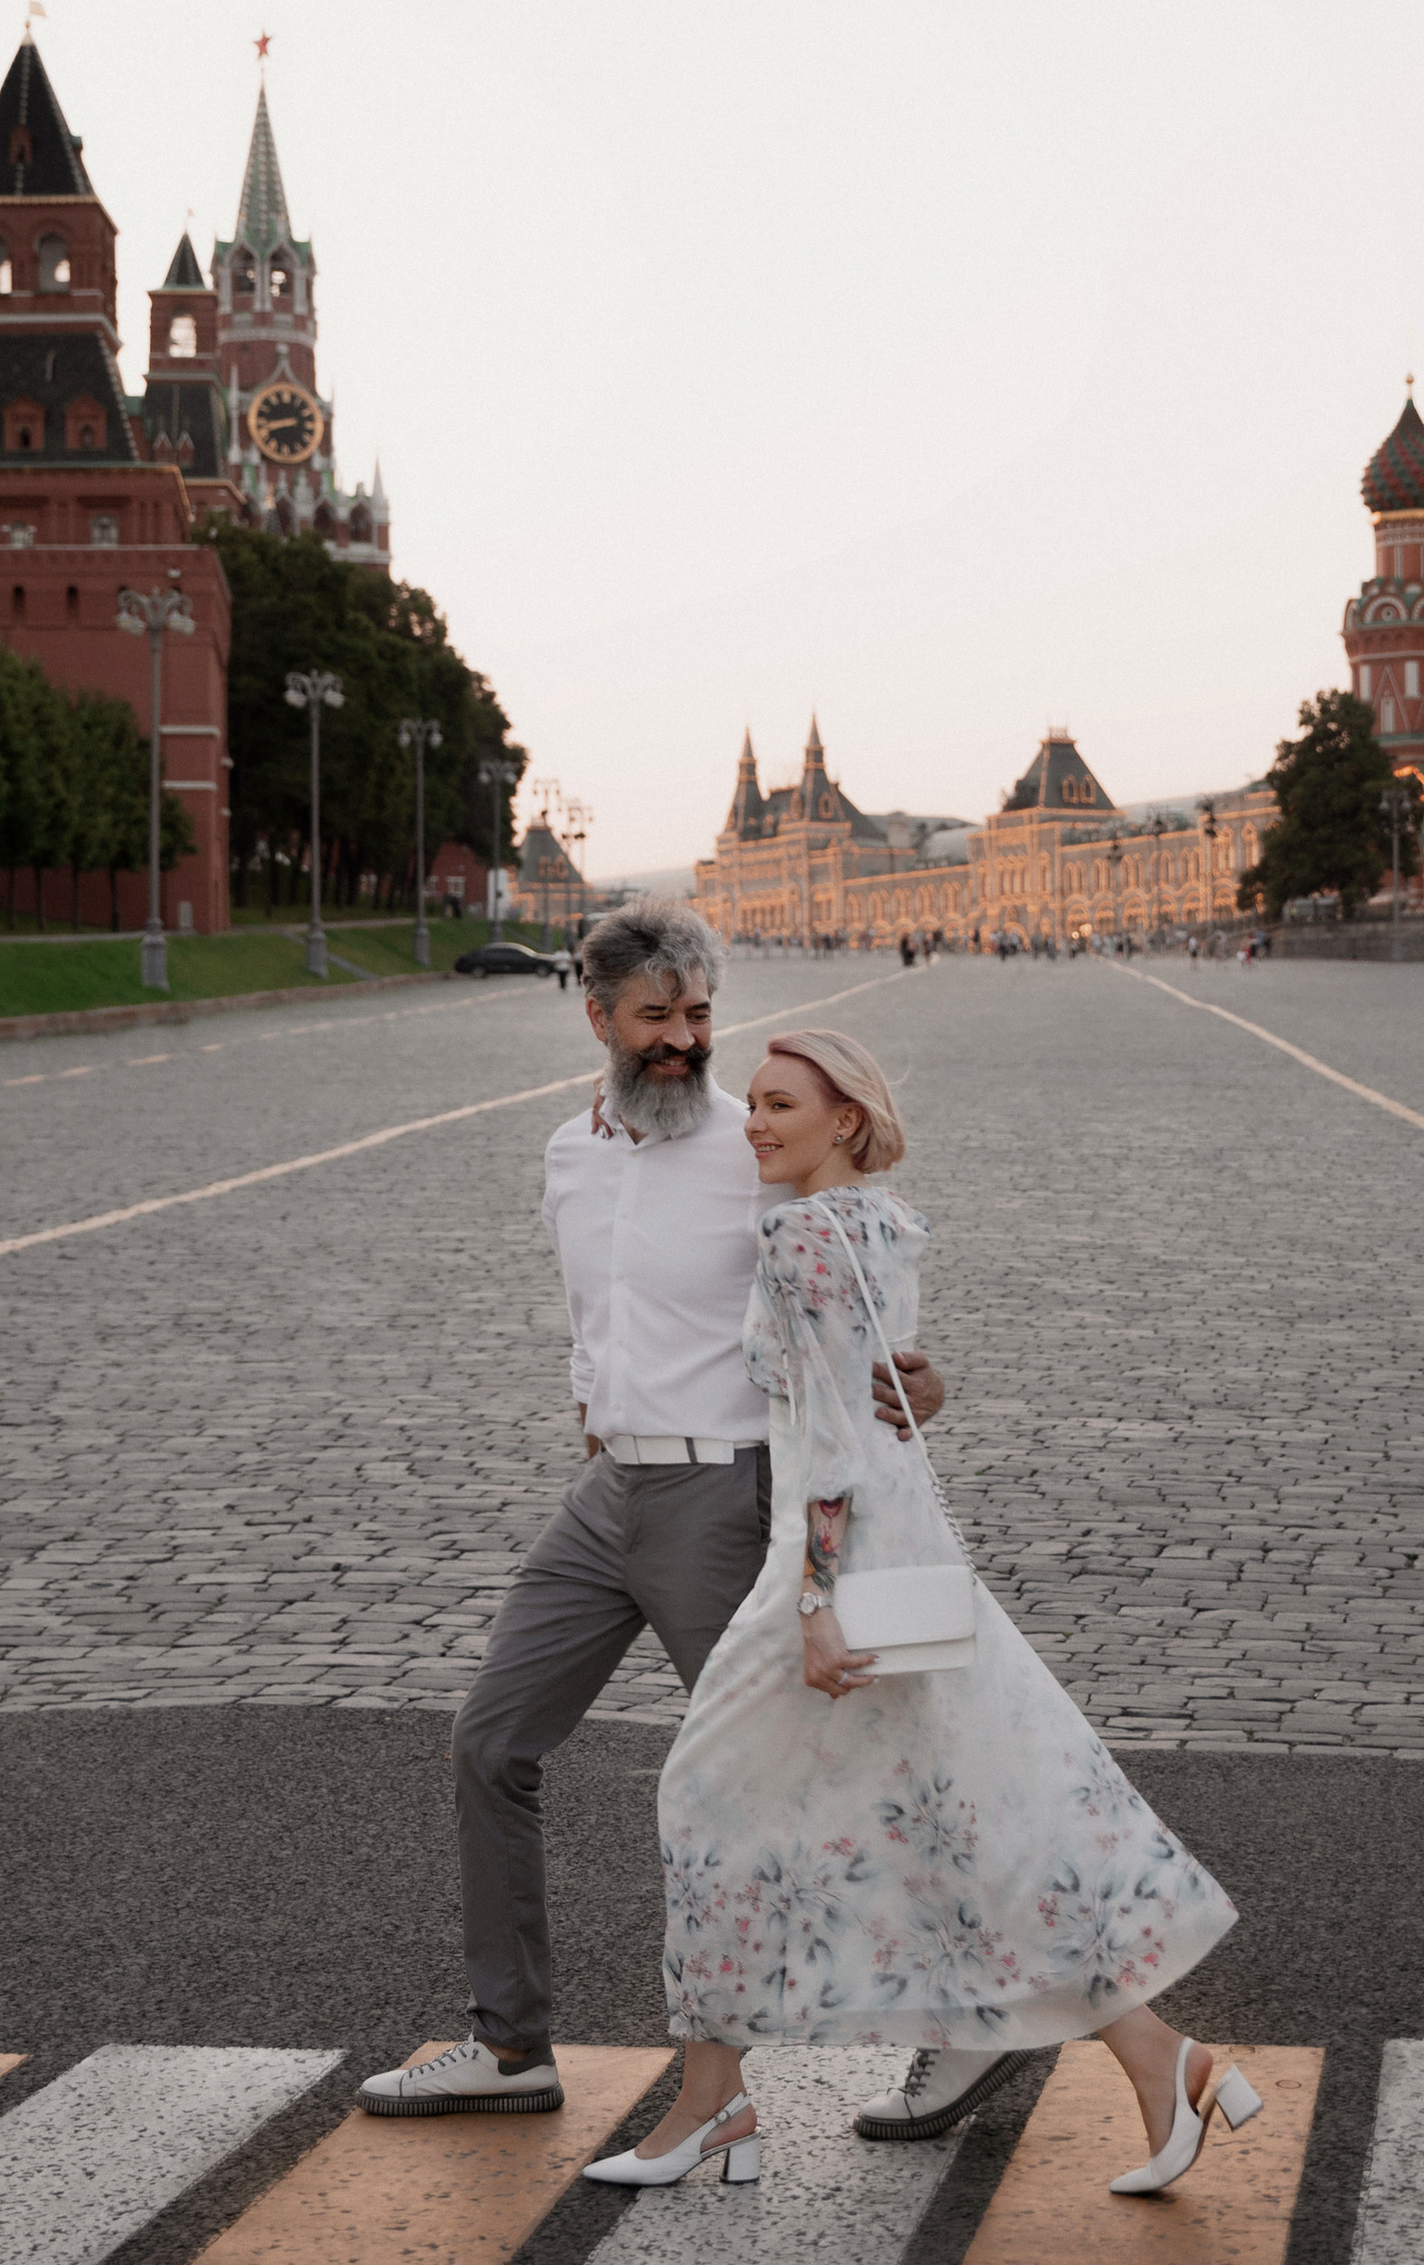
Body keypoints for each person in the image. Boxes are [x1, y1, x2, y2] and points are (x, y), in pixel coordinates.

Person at [585, 1025, 1249, 2198]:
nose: (757, 1122)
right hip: (903, 1548)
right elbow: (893, 1387)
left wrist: (813, 1598)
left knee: (703, 1797)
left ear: (844, 1120)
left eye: (782, 1105)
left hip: (839, 1562)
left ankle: (712, 2102)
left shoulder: (800, 1236)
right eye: (758, 1105)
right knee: (963, 1822)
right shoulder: (881, 1223)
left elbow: (837, 1437)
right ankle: (1161, 2058)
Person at [361, 907, 941, 2120]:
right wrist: (593, 1402)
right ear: (598, 1018)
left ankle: (974, 2023)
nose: (683, 1041)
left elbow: (858, 1306)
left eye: (697, 1017)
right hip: (607, 1499)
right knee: (489, 1744)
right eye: (656, 1018)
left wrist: (917, 1375)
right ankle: (511, 2048)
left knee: (823, 1776)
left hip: (723, 1502)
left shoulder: (756, 1147)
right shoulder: (566, 1154)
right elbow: (593, 1317)